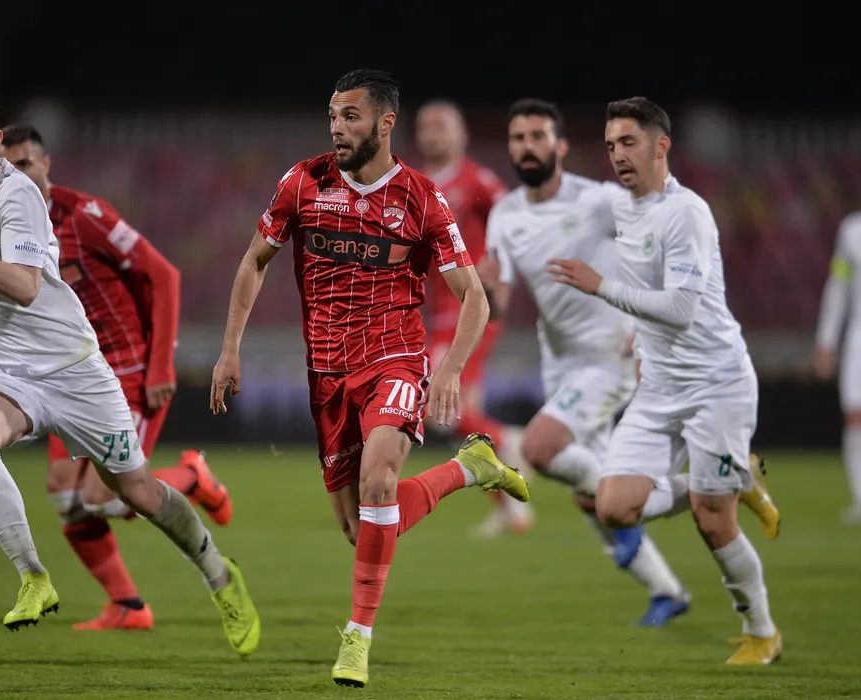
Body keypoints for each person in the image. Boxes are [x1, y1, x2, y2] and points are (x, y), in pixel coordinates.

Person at [0, 77, 259, 656]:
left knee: (135, 494)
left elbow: (24, 287)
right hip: (5, 372)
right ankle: (34, 577)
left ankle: (220, 575)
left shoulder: (18, 196)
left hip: (73, 371)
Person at [210, 68, 529, 688]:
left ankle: (357, 637)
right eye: (332, 116)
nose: (337, 128)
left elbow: (475, 297)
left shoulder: (422, 198)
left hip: (395, 358)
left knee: (380, 483)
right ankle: (469, 468)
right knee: (362, 527)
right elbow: (254, 260)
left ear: (385, 123)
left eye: (350, 117)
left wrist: (449, 371)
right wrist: (229, 349)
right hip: (326, 371)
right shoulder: (303, 182)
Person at [548, 96, 782, 664]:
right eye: (610, 146)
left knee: (712, 520)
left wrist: (601, 286)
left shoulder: (687, 213)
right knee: (613, 506)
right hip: (658, 388)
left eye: (628, 143)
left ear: (661, 145)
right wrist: (636, 337)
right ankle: (733, 478)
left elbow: (680, 307)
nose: (617, 156)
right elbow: (649, 293)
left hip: (716, 384)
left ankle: (761, 632)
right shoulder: (624, 210)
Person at [0, 124, 233, 631]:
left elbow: (164, 275)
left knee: (104, 497)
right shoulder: (6, 226)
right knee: (65, 496)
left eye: (24, 164)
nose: (16, 175)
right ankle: (128, 606)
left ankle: (193, 476)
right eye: (7, 168)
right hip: (71, 373)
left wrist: (161, 363)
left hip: (127, 368)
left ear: (45, 165)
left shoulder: (85, 215)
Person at [485, 97, 691, 626]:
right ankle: (668, 590)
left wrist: (647, 328)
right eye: (518, 138)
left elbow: (657, 246)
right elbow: (499, 301)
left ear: (559, 145)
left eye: (537, 136)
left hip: (609, 357)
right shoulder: (505, 214)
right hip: (559, 363)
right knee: (593, 493)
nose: (527, 147)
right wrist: (481, 287)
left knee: (539, 448)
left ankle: (650, 509)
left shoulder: (599, 200)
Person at [414, 99, 536, 536]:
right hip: (435, 311)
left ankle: (507, 442)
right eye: (426, 126)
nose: (432, 133)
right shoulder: (413, 184)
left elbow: (514, 227)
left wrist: (500, 277)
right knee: (460, 412)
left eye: (441, 126)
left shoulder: (477, 181)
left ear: (462, 135)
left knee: (436, 405)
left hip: (470, 307)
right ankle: (511, 511)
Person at [814, 210, 861, 523]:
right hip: (859, 336)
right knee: (855, 414)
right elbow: (838, 287)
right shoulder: (852, 231)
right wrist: (826, 339)